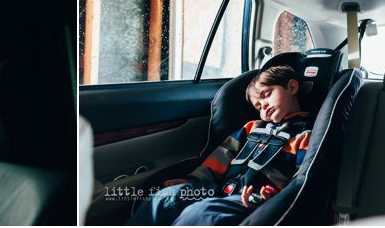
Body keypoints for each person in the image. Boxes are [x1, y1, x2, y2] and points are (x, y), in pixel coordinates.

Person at [127, 65, 313, 225]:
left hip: (251, 198)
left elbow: (300, 180)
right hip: (219, 188)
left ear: (292, 87)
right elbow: (220, 157)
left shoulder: (303, 137)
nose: (263, 106)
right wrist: (193, 180)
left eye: (267, 94)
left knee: (202, 213)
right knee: (165, 197)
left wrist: (275, 199)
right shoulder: (251, 128)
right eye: (258, 106)